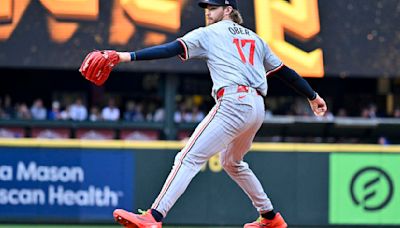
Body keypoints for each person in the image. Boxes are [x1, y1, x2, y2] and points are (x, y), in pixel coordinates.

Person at [112, 0, 327, 227]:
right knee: (232, 162)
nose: (208, 13)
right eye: (206, 9)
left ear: (228, 10)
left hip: (234, 102)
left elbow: (171, 49)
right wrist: (312, 96)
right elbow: (285, 72)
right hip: (256, 108)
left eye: (212, 8)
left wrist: (125, 56)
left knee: (188, 158)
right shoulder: (255, 38)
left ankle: (153, 217)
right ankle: (270, 216)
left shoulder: (210, 33)